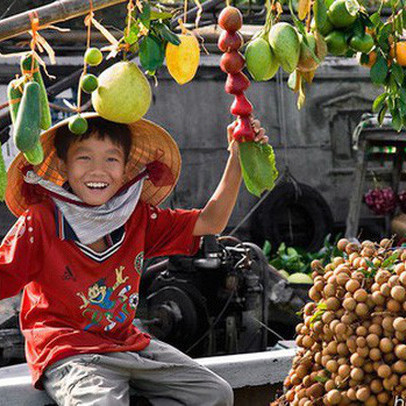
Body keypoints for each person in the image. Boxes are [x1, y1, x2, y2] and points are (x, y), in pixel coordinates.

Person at [0, 112, 267, 406]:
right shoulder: (39, 221)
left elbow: (211, 221)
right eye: (84, 158)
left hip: (127, 343)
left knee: (214, 393)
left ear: (126, 168)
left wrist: (238, 156)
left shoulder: (136, 217)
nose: (98, 170)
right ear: (63, 165)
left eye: (111, 159)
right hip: (69, 351)